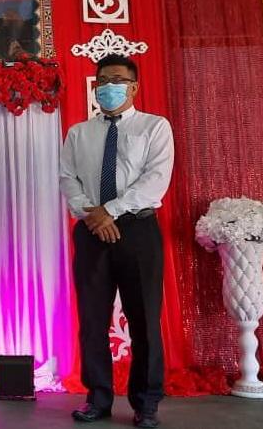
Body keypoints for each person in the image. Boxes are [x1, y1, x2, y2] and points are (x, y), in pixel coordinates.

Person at [59, 54, 174, 429]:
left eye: (118, 80)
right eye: (103, 80)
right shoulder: (79, 132)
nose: (109, 87)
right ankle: (98, 398)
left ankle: (146, 402)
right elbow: (68, 179)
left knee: (144, 320)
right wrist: (93, 216)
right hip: (92, 231)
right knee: (92, 320)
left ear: (134, 87)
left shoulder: (154, 127)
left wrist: (109, 210)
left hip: (137, 230)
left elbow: (155, 181)